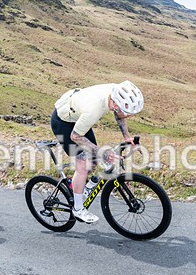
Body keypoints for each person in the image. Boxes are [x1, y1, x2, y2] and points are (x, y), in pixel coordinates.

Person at [51, 80, 143, 223]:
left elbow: (119, 114)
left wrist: (126, 137)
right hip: (63, 123)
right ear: (114, 105)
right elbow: (75, 136)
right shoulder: (93, 109)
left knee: (93, 160)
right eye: (127, 113)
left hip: (78, 115)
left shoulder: (116, 92)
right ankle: (78, 209)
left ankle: (78, 186)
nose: (128, 116)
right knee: (83, 165)